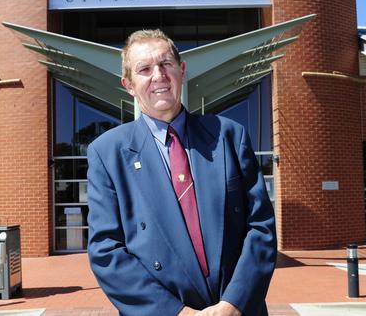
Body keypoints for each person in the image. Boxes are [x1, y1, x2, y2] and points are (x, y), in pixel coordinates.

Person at [86, 29, 277, 316]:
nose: (158, 75)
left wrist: (234, 303)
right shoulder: (107, 152)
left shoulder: (228, 136)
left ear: (182, 71)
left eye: (166, 64)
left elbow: (260, 226)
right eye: (144, 69)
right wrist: (176, 312)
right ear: (128, 85)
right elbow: (105, 251)